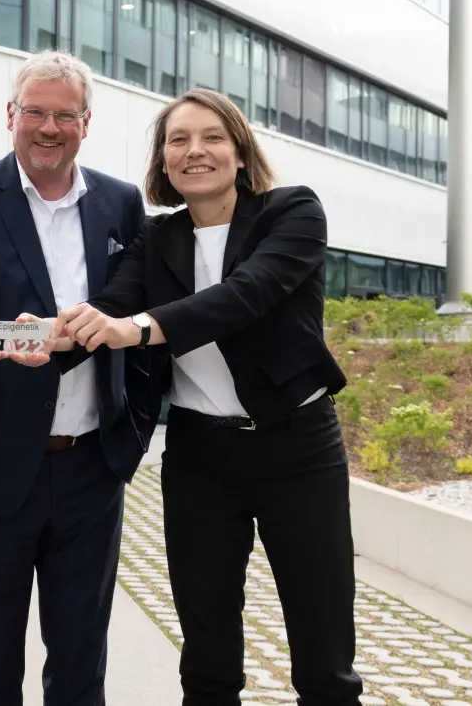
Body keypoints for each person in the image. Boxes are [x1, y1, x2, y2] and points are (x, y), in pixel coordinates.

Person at [54, 87, 362, 706]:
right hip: (199, 459)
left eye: (212, 137)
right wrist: (27, 335)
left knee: (323, 655)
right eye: (178, 140)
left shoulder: (293, 213)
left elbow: (243, 296)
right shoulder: (158, 239)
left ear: (241, 154)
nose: (195, 151)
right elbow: (108, 311)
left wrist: (136, 329)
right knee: (207, 656)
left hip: (298, 452)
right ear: (164, 162)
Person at [0, 50, 158, 706]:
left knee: (82, 660)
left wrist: (131, 439)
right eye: (35, 112)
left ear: (87, 122)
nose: (48, 127)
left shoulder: (119, 203)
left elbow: (135, 315)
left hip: (92, 468)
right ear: (10, 116)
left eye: (64, 115)